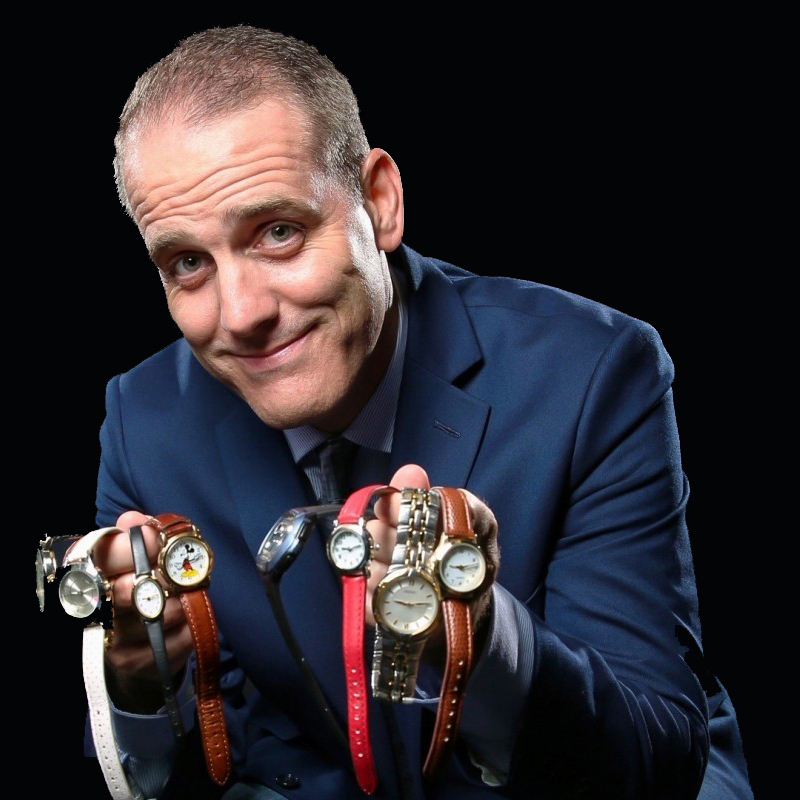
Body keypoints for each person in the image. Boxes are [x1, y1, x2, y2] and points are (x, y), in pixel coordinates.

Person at [71, 25, 750, 799]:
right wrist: (139, 689)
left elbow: (658, 754)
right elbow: (175, 770)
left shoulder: (593, 373)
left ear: (380, 203)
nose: (241, 313)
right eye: (188, 263)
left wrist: (479, 638)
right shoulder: (142, 421)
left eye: (280, 232)